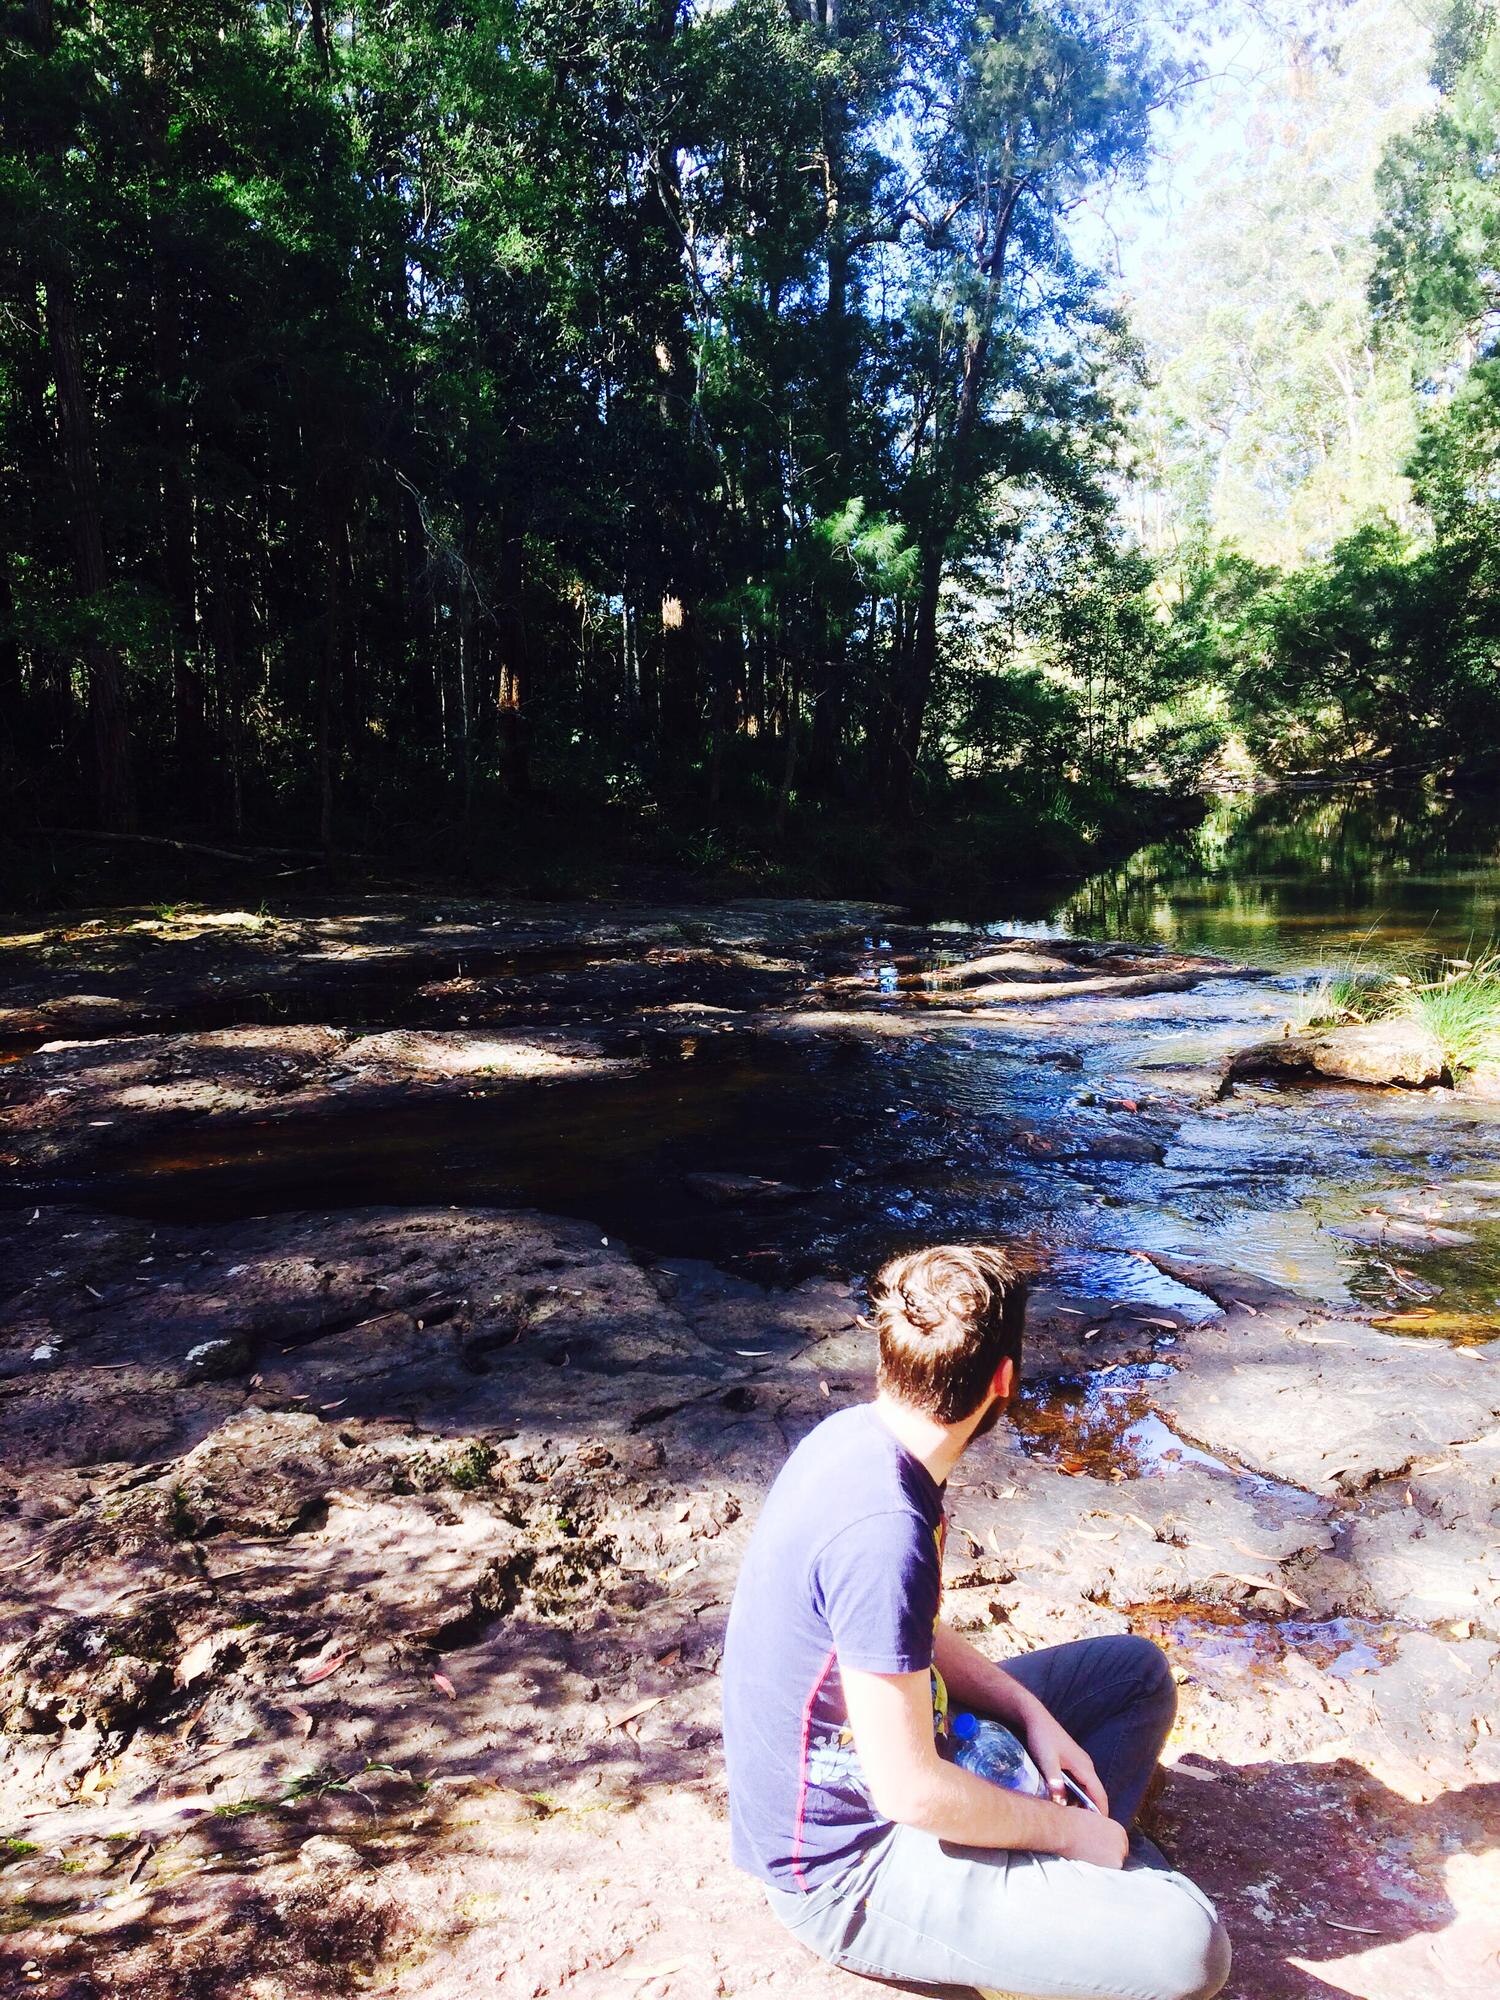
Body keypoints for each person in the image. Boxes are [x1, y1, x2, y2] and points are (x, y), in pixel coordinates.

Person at [721, 1243, 1230, 2000]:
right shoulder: (884, 1527)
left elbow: (903, 1633)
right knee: (1189, 1947)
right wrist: (1071, 1833)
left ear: (890, 1355)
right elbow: (907, 1792)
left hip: (910, 1752)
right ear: (1004, 1379)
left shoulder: (861, 1440)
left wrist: (1030, 1713)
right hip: (843, 1870)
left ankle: (1056, 1887)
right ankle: (1072, 1882)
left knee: (1135, 1672)